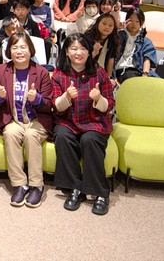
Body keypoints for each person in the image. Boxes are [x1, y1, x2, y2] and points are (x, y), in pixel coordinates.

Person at [52, 34, 116, 216]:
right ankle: (75, 188)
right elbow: (55, 107)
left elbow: (109, 105)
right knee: (62, 136)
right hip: (68, 121)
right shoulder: (59, 74)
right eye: (73, 48)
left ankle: (100, 193)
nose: (78, 53)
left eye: (82, 48)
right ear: (66, 51)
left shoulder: (99, 73)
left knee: (90, 140)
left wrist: (99, 99)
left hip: (94, 121)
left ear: (89, 52)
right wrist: (66, 97)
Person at [0, 32, 54, 207]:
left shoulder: (41, 72)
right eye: (15, 47)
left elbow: (49, 105)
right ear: (9, 51)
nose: (19, 51)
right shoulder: (1, 70)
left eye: (23, 47)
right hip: (14, 120)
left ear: (30, 50)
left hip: (37, 120)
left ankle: (36, 185)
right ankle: (20, 184)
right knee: (10, 133)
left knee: (31, 135)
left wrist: (37, 99)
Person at [114, 7, 158, 82]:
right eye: (131, 20)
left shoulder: (145, 41)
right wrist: (117, 28)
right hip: (124, 69)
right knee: (132, 80)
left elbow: (147, 59)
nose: (134, 24)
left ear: (141, 22)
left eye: (137, 21)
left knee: (157, 82)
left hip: (140, 70)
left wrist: (145, 74)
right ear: (126, 20)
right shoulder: (118, 36)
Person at [84, 13, 119, 79]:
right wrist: (94, 52)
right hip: (87, 71)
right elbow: (82, 60)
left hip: (102, 72)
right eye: (104, 24)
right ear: (97, 23)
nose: (107, 27)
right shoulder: (88, 38)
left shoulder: (112, 40)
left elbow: (111, 59)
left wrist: (108, 77)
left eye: (110, 25)